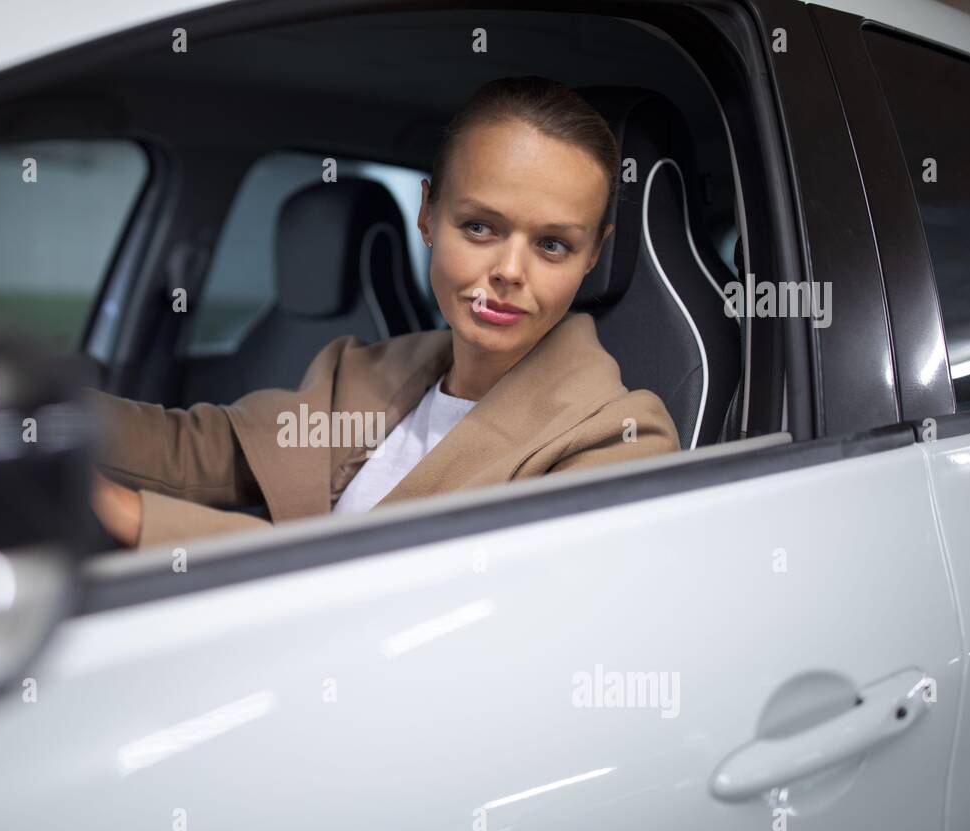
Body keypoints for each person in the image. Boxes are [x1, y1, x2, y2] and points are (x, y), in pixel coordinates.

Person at [89, 75, 680, 549]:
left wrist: (132, 516)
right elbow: (205, 449)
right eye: (479, 226)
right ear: (427, 214)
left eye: (553, 244)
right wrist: (49, 417)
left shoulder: (618, 441)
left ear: (592, 255)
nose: (509, 271)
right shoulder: (364, 370)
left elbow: (422, 593)